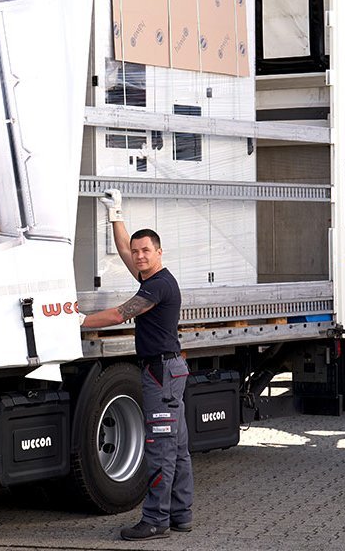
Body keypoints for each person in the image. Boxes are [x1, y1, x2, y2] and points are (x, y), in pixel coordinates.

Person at [78, 189, 193, 541]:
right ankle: (181, 515)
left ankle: (156, 520)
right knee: (179, 449)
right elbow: (126, 249)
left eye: (147, 251)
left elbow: (118, 314)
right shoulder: (149, 275)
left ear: (160, 253)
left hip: (161, 375)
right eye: (138, 251)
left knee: (160, 450)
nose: (139, 256)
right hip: (169, 371)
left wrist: (76, 322)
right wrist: (116, 214)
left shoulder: (159, 286)